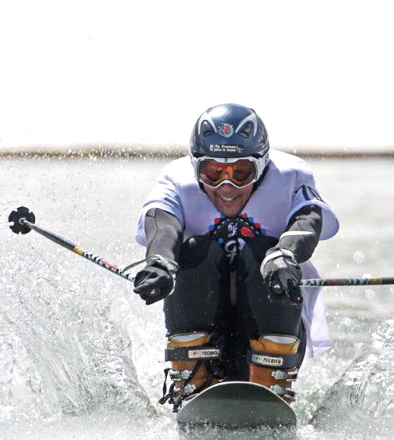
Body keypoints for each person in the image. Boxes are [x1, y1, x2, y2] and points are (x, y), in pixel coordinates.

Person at [133, 103, 339, 411]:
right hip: (205, 320)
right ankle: (192, 378)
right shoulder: (175, 179)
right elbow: (163, 225)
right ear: (195, 166)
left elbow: (308, 220)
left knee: (265, 253)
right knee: (193, 250)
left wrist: (285, 255)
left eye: (241, 173)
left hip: (273, 319)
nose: (227, 187)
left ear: (263, 164)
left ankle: (271, 380)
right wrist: (159, 262)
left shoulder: (291, 175)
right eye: (213, 173)